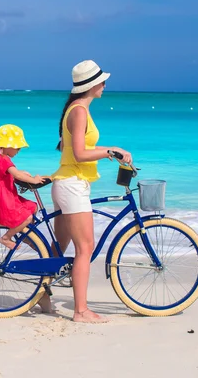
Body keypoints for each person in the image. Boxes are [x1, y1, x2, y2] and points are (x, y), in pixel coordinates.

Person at [50, 60, 132, 323]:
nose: (105, 85)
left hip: (67, 183)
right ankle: (81, 311)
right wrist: (111, 150)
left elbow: (64, 148)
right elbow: (80, 153)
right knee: (85, 248)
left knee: (59, 247)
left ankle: (41, 296)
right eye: (102, 81)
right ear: (92, 85)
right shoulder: (79, 111)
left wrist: (106, 151)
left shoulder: (75, 110)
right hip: (72, 185)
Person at [0, 124, 45, 249]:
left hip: (6, 196)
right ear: (8, 145)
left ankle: (25, 235)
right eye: (17, 147)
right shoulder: (3, 159)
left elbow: (7, 174)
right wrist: (34, 180)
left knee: (33, 207)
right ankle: (6, 238)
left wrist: (23, 173)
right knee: (27, 217)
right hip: (3, 200)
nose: (19, 150)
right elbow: (16, 174)